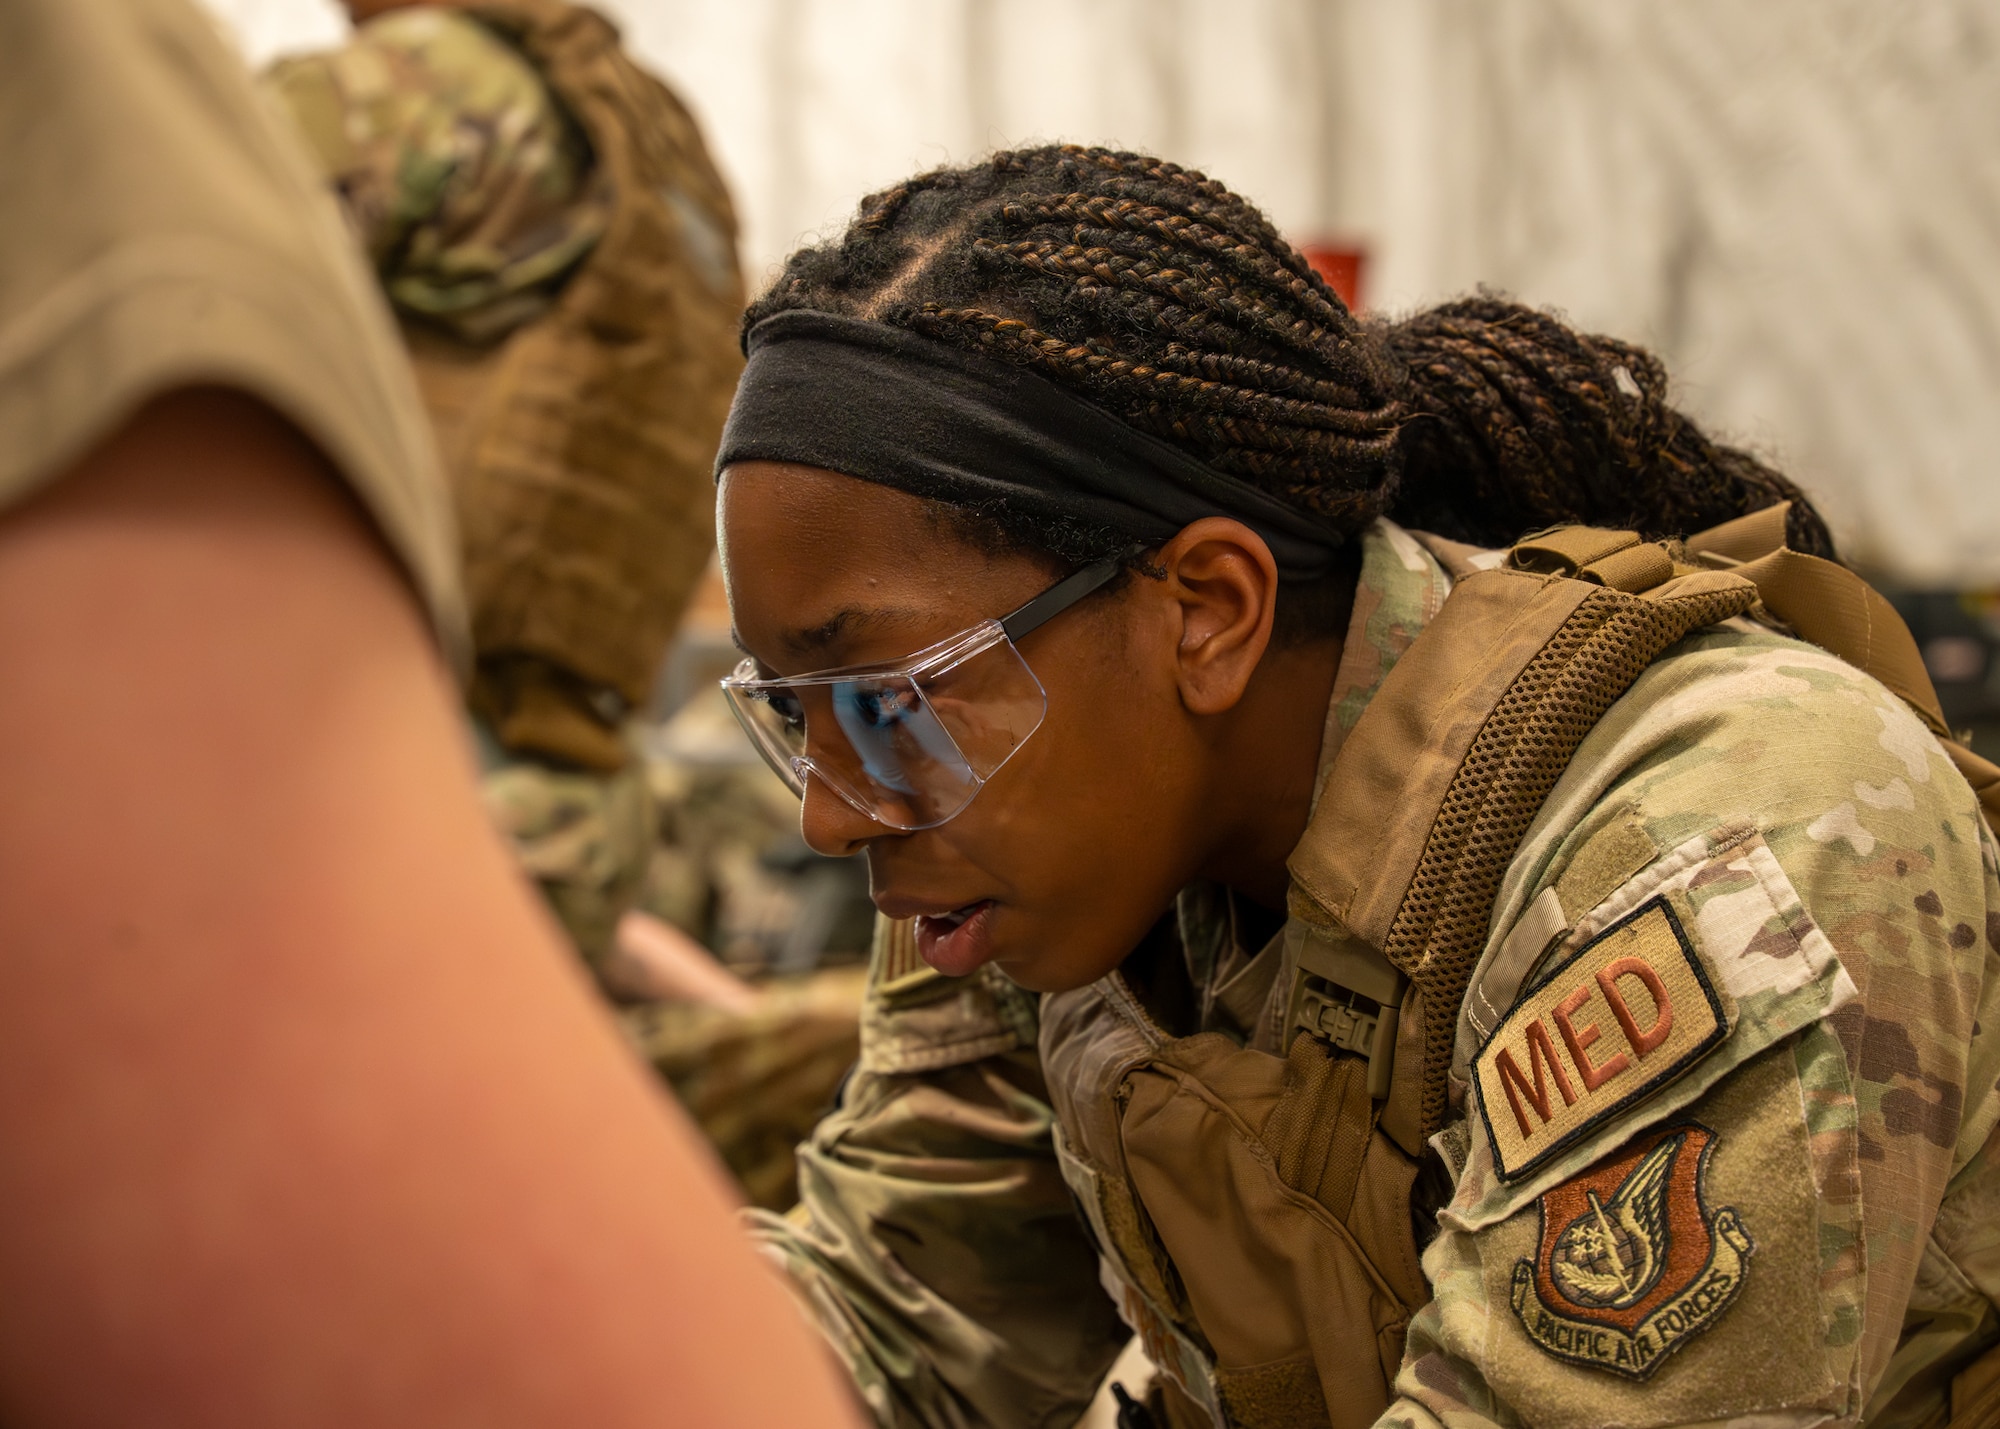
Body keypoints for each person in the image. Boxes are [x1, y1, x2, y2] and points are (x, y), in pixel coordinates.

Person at [712, 146, 2000, 1427]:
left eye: (885, 701)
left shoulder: (1713, 836)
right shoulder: (1034, 838)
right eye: (795, 713)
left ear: (1208, 612)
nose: (832, 813)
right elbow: (906, 1315)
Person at [0, 1, 862, 1423]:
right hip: (571, 783)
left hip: (422, 774)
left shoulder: (419, 93)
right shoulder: (654, 148)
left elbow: (157, 225)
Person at [266, 0, 745, 977]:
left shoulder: (404, 86)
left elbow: (136, 297)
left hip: (378, 771)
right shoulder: (654, 136)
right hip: (578, 806)